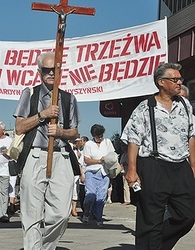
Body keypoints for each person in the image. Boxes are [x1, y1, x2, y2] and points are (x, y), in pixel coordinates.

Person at [121, 62, 195, 249]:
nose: (179, 82)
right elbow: (133, 140)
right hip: (154, 165)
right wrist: (132, 170)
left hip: (180, 166)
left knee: (187, 215)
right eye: (175, 79)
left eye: (180, 79)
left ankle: (155, 245)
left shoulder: (185, 105)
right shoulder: (145, 107)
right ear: (161, 82)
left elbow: (191, 135)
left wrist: (193, 166)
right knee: (151, 219)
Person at [13, 52, 80, 249]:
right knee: (31, 213)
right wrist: (42, 115)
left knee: (61, 213)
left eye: (55, 69)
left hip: (61, 156)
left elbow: (75, 132)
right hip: (34, 155)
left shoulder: (69, 98)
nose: (51, 73)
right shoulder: (30, 94)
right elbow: (19, 127)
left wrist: (60, 132)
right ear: (39, 71)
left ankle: (46, 247)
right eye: (46, 70)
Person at [81, 124, 116, 227]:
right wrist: (98, 161)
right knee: (90, 195)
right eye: (97, 136)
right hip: (91, 172)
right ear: (93, 135)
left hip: (104, 172)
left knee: (101, 197)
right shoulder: (88, 144)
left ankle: (99, 217)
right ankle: (86, 213)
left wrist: (109, 160)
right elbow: (86, 160)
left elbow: (113, 155)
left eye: (101, 136)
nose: (100, 138)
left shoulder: (107, 142)